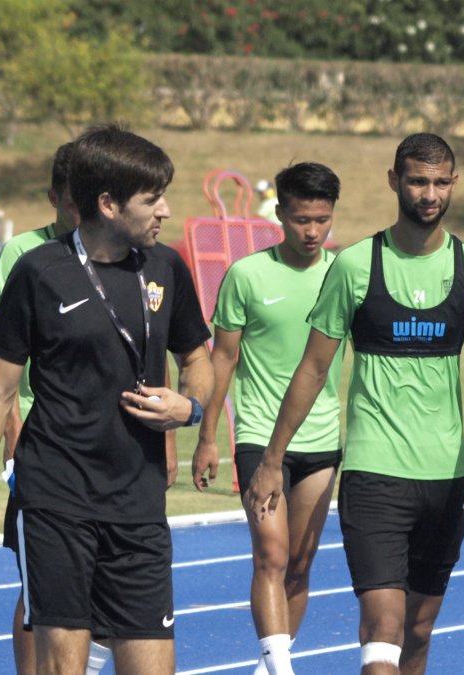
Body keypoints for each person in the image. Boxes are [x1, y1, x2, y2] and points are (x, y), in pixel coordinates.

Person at [0, 123, 213, 675]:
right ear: (109, 204)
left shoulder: (167, 268)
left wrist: (191, 409)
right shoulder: (40, 271)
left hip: (139, 504)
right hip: (56, 497)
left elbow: (198, 359)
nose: (165, 210)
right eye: (152, 198)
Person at [247, 132, 464, 675]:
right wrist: (273, 458)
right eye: (418, 181)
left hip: (446, 476)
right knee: (383, 629)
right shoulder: (353, 266)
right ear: (395, 181)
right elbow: (313, 368)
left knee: (418, 632)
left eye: (441, 183)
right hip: (375, 475)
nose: (429, 193)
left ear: (454, 185)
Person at [191, 162, 346, 675]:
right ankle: (281, 669)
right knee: (272, 556)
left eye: (322, 220)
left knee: (299, 567)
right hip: (259, 435)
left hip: (323, 440)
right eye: (302, 219)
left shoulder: (345, 275)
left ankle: (268, 665)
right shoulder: (246, 275)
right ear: (279, 213)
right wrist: (208, 436)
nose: (312, 231)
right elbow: (223, 359)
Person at [0, 141, 114, 675]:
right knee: (39, 585)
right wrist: (13, 451)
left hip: (106, 446)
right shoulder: (23, 254)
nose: (78, 215)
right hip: (41, 444)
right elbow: (5, 371)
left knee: (106, 583)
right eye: (70, 203)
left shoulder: (114, 249)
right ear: (56, 196)